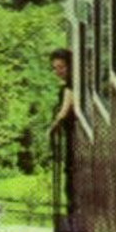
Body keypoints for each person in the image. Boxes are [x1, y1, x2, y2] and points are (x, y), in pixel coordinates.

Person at [49, 48, 76, 214]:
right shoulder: (69, 85)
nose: (58, 71)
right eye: (55, 68)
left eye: (61, 67)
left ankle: (71, 210)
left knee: (70, 178)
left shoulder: (70, 86)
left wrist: (53, 126)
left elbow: (65, 109)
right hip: (70, 136)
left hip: (73, 137)